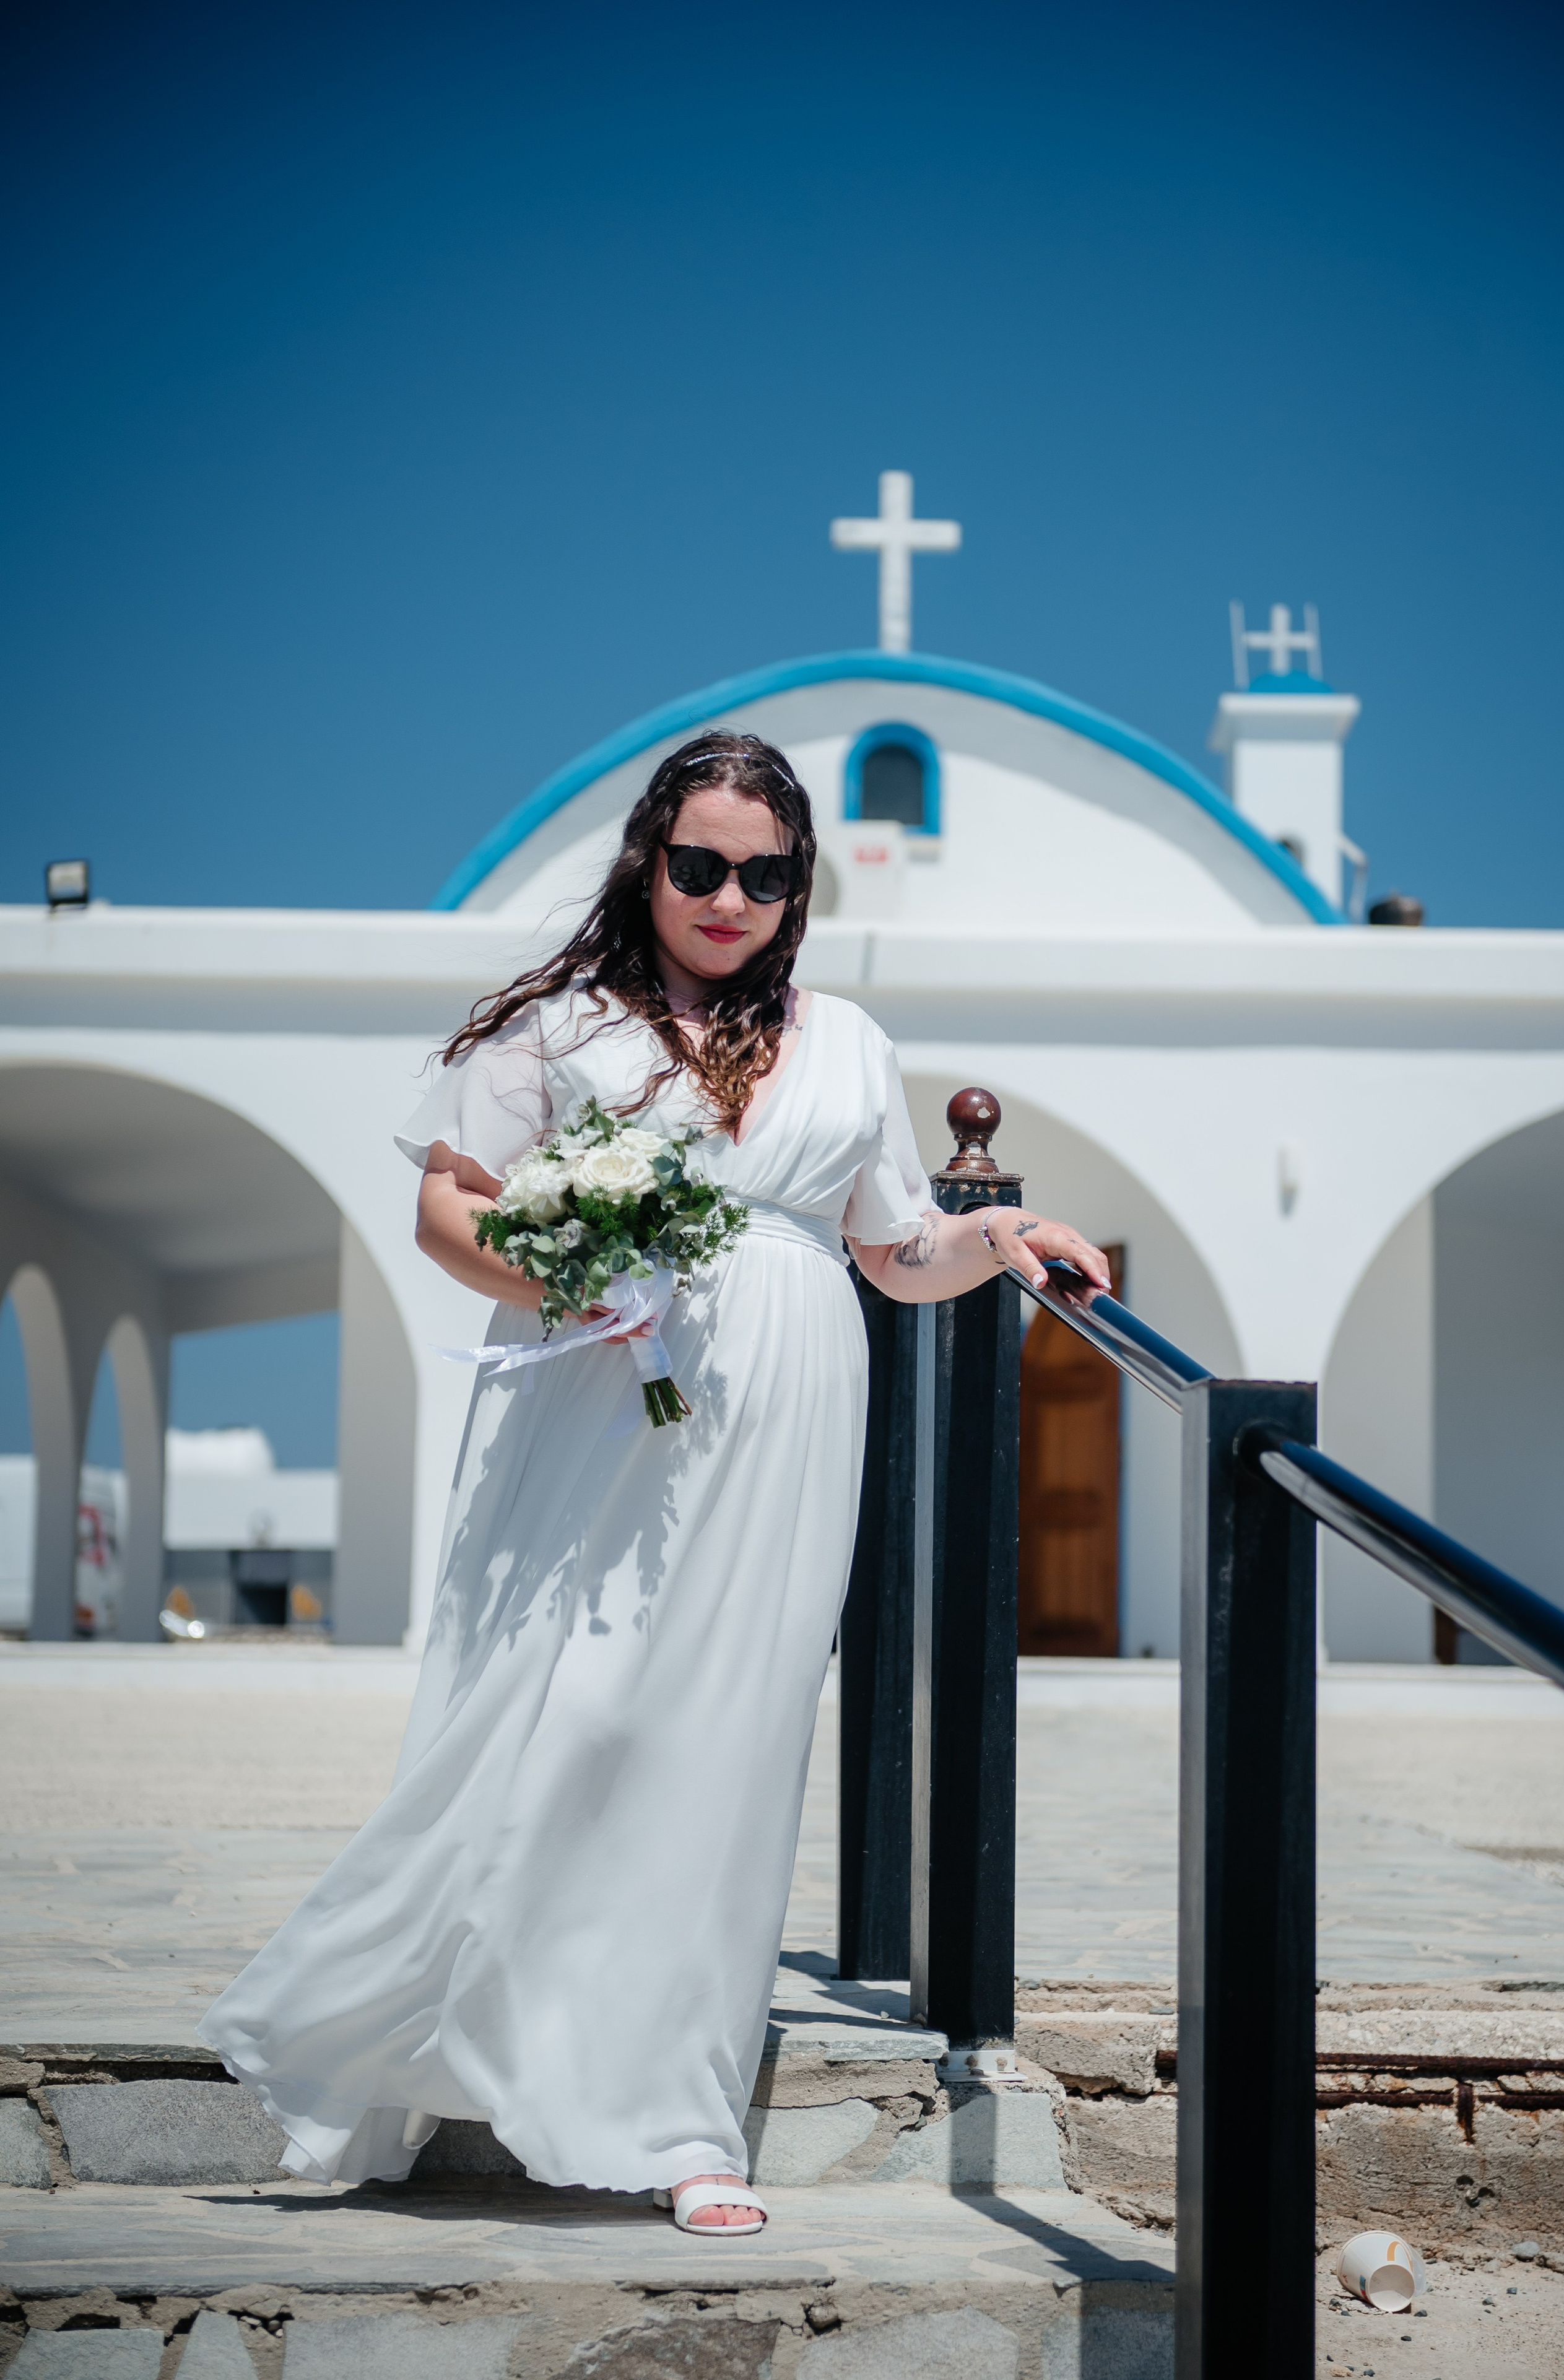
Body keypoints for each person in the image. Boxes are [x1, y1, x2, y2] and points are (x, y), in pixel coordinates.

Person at [199, 732, 1110, 2235]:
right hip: (598, 1403)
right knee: (575, 1710)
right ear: (650, 859)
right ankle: (449, 2027)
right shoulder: (559, 1029)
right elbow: (448, 1205)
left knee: (725, 1743)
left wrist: (1009, 1237)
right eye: (700, 864)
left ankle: (679, 2117)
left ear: (795, 885)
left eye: (764, 873)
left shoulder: (848, 1042)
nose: (728, 896)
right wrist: (561, 1273)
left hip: (790, 1417)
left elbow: (890, 1245)